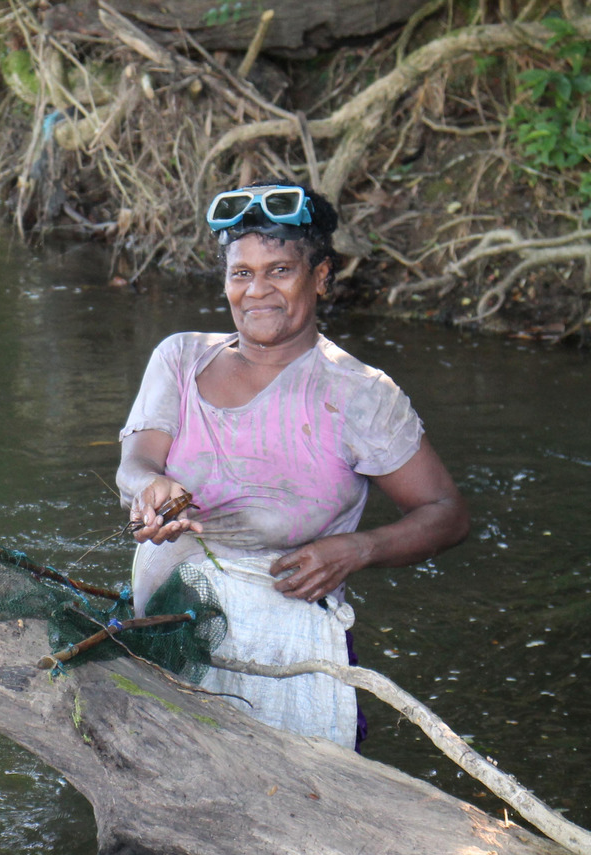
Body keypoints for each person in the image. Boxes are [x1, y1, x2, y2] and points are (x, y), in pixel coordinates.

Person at [115, 179, 468, 746]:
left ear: (321, 277)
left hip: (292, 644)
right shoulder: (179, 358)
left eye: (279, 270)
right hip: (169, 621)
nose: (257, 291)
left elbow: (447, 513)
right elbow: (135, 462)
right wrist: (149, 486)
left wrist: (359, 549)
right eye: (241, 272)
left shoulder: (361, 394)